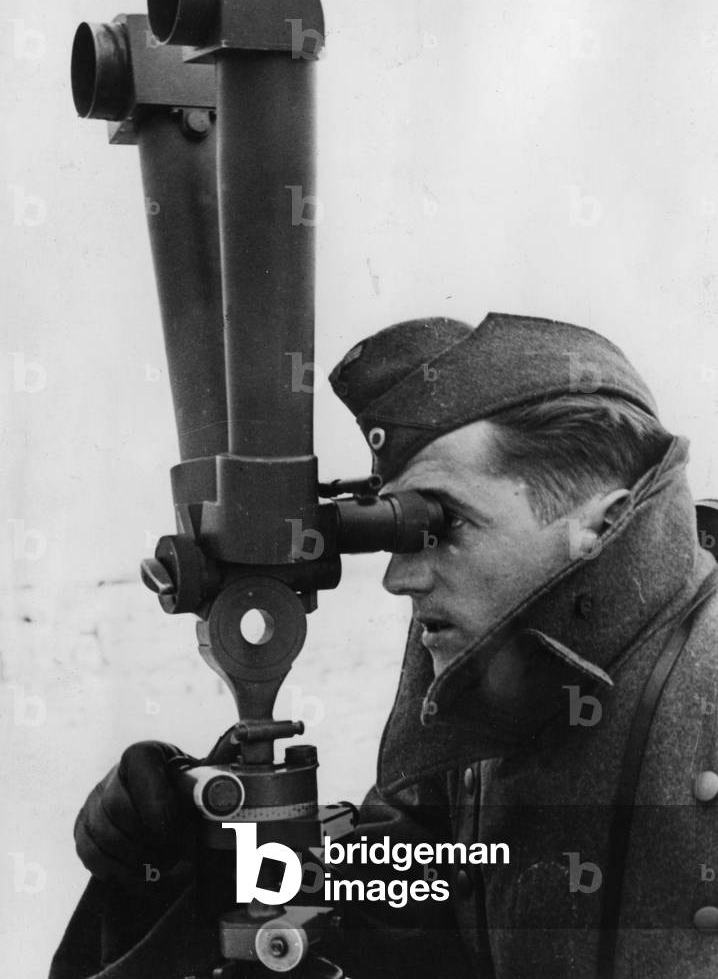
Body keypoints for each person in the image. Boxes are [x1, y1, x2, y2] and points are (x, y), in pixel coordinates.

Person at [51, 312, 718, 979]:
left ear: (599, 526)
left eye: (443, 523)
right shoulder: (486, 700)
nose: (398, 577)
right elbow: (399, 909)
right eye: (403, 530)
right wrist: (195, 849)